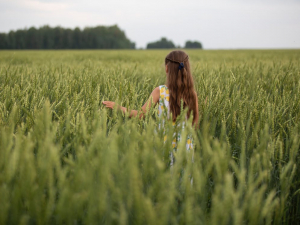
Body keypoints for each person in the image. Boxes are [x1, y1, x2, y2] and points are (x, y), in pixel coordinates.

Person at [102, 50, 199, 155]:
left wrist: (118, 107)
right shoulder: (192, 94)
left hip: (164, 145)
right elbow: (195, 123)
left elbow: (140, 114)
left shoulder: (160, 91)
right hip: (186, 146)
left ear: (167, 68)